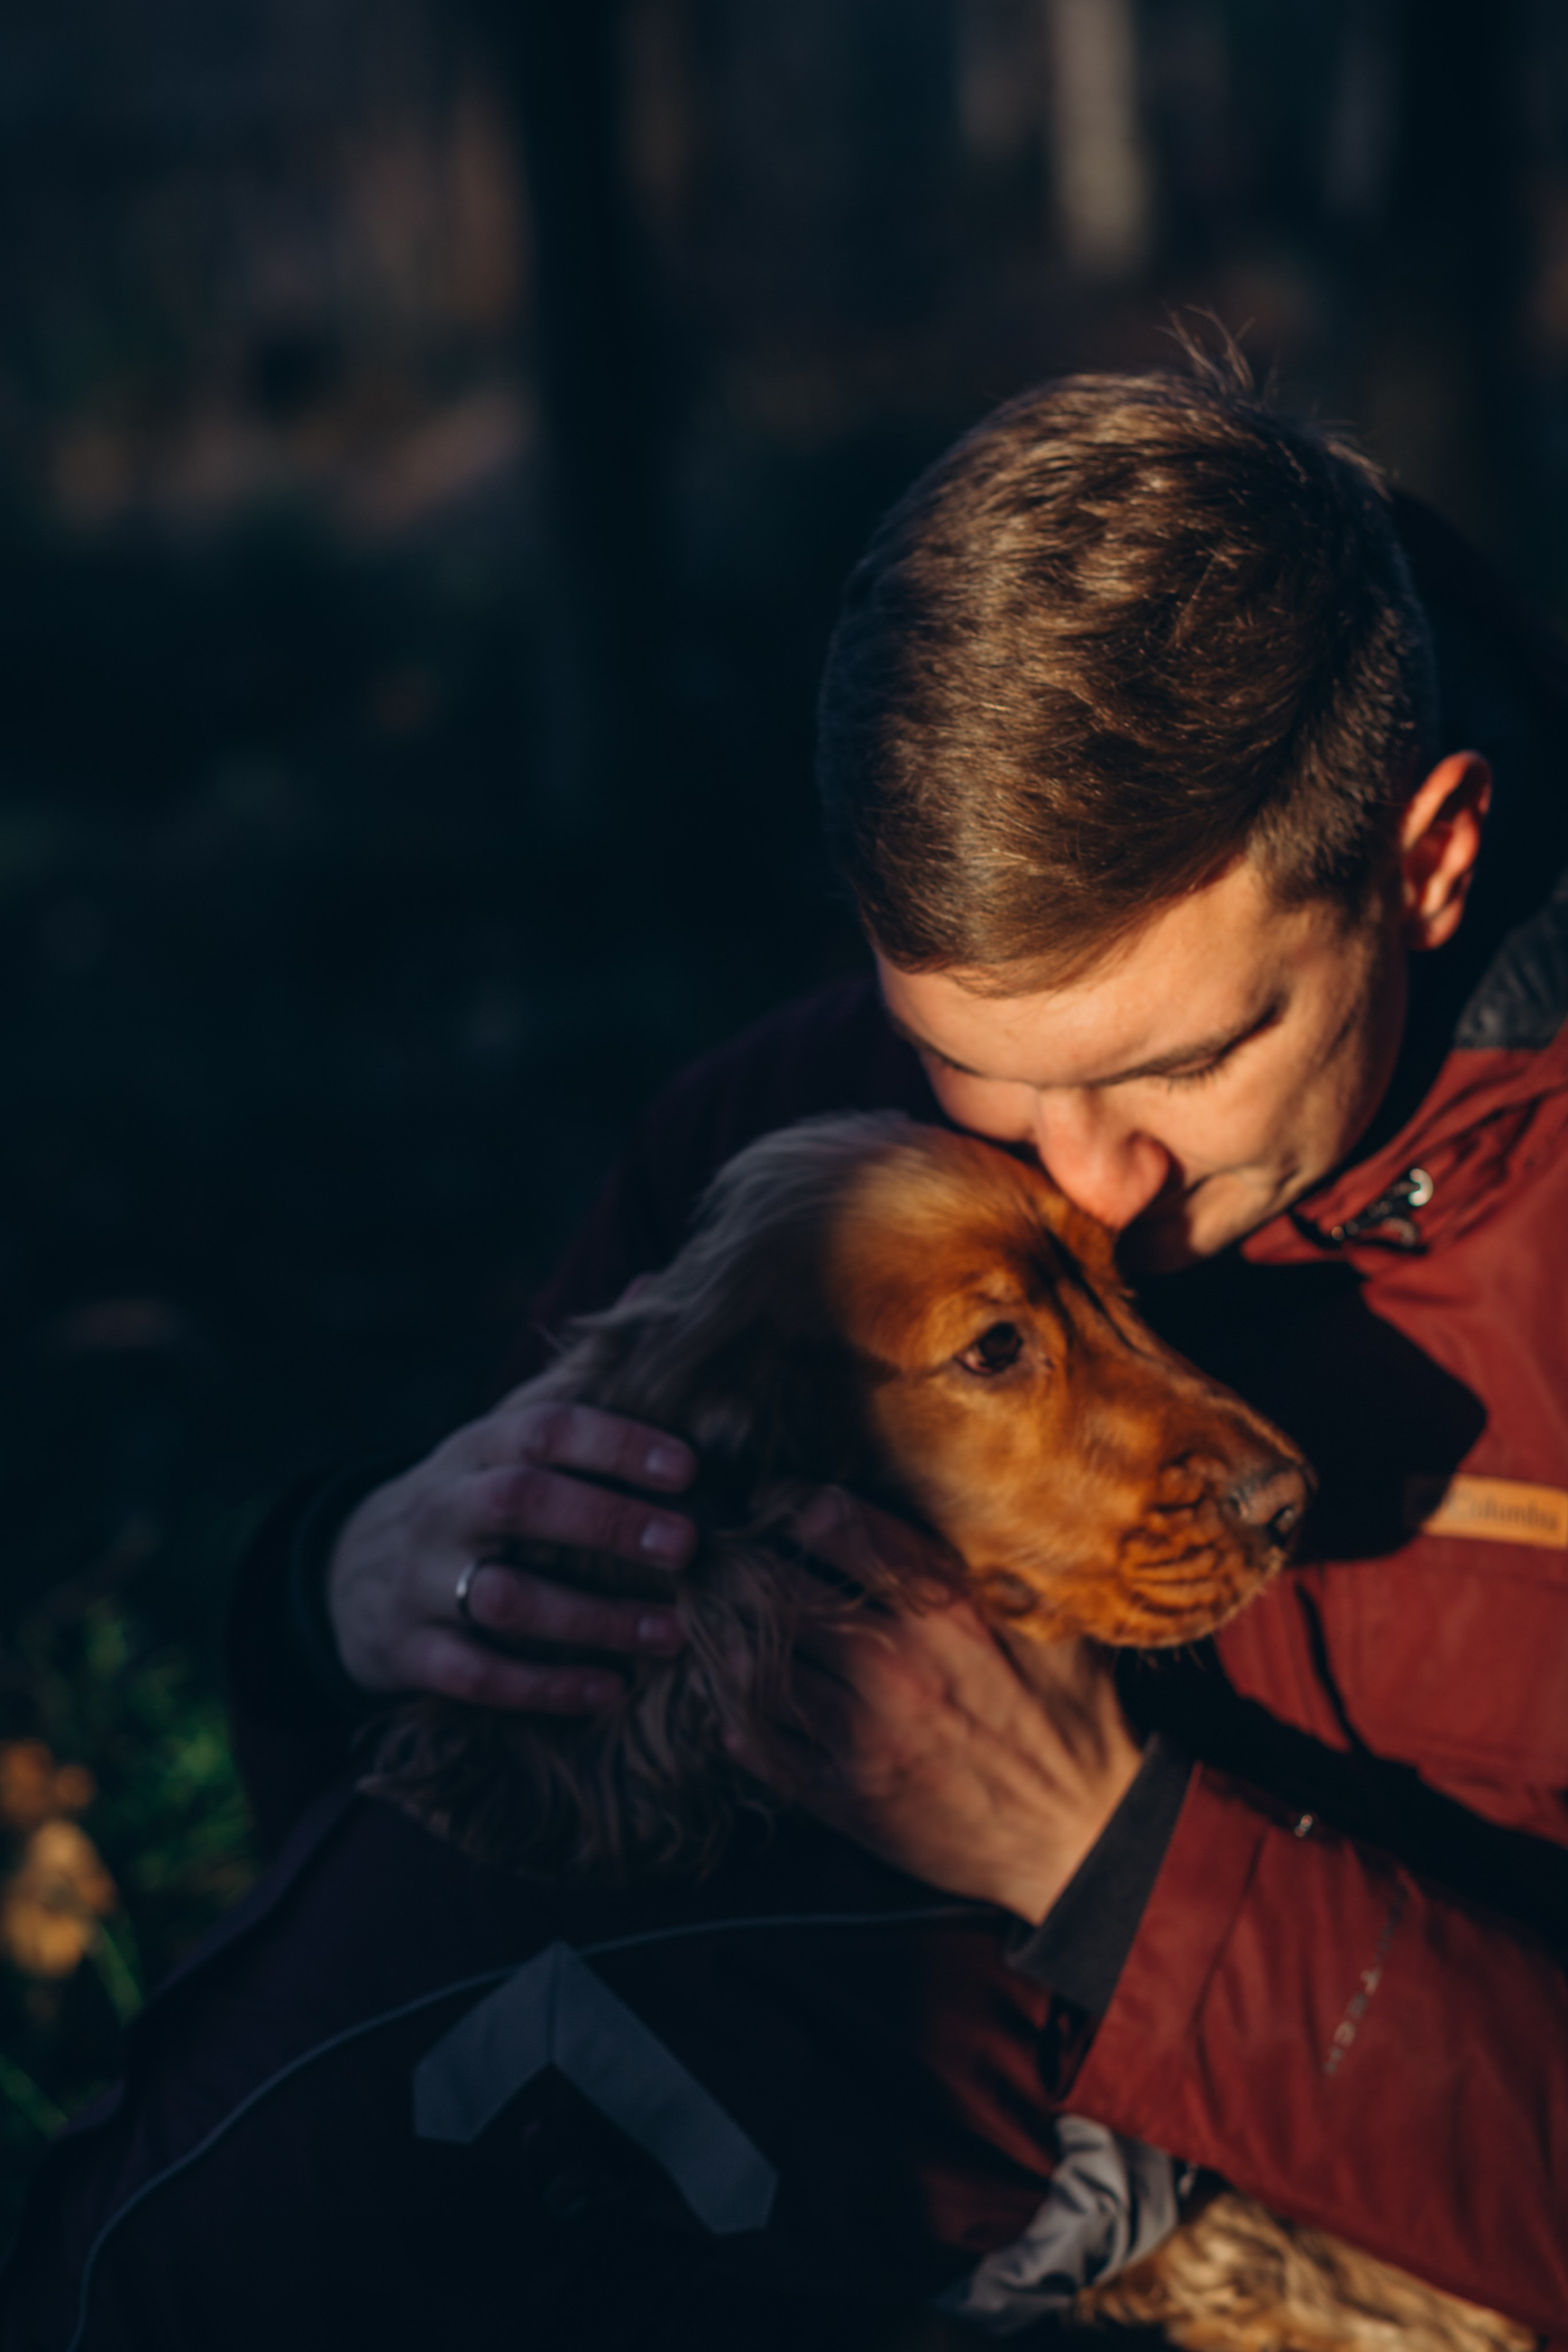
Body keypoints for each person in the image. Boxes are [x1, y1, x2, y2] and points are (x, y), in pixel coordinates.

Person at [8, 355, 1568, 2347]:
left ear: (1428, 862)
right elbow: (421, 1903)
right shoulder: (794, 1142)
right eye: (985, 1074)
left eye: (1186, 1061)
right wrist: (336, 1596)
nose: (1086, 1186)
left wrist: (1104, 1860)